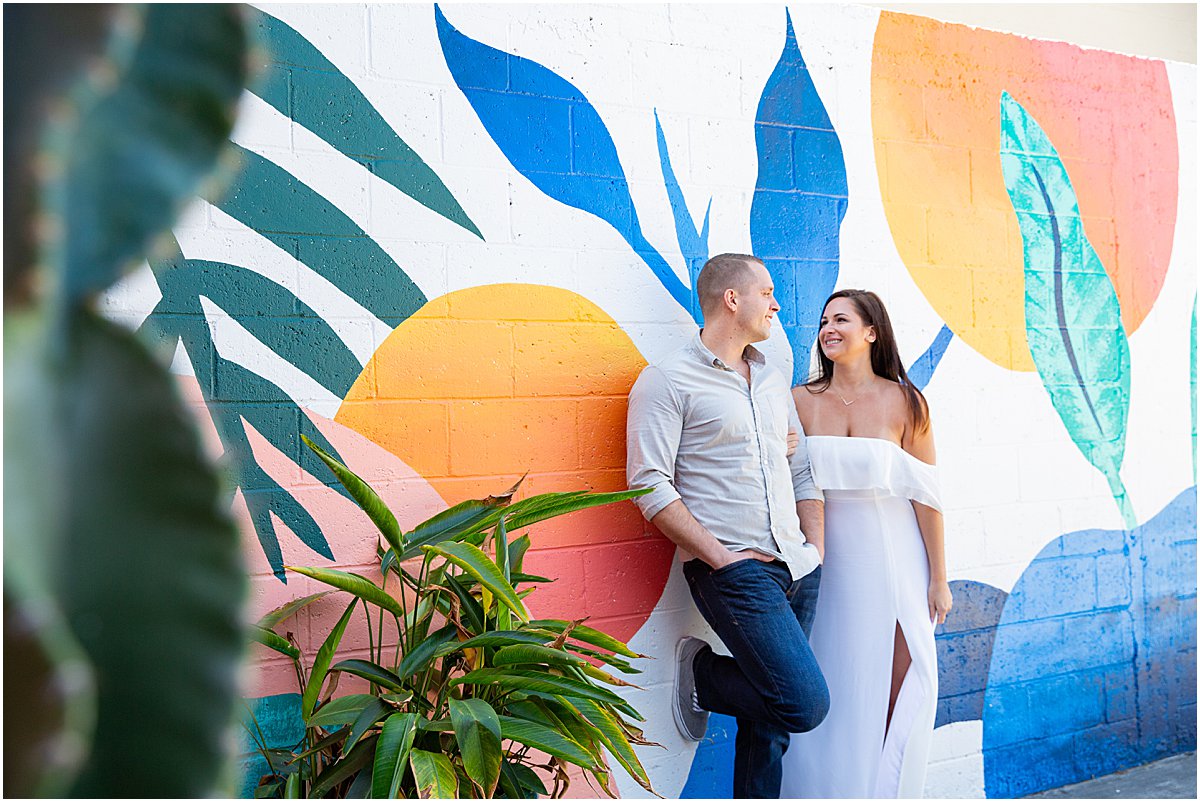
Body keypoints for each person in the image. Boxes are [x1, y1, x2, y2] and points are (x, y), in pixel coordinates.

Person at [626, 253, 829, 799]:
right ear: (732, 299)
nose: (777, 303)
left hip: (798, 562)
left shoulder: (771, 375)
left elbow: (801, 465)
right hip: (733, 570)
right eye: (767, 292)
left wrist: (816, 548)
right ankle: (703, 675)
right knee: (802, 703)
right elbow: (648, 485)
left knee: (771, 728)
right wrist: (720, 558)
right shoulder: (666, 380)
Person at [779, 289, 952, 798]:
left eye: (841, 319)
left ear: (871, 332)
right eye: (823, 320)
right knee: (834, 678)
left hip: (896, 558)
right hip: (823, 563)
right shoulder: (797, 401)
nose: (828, 328)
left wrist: (939, 578)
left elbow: (927, 497)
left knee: (900, 682)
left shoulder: (906, 402)